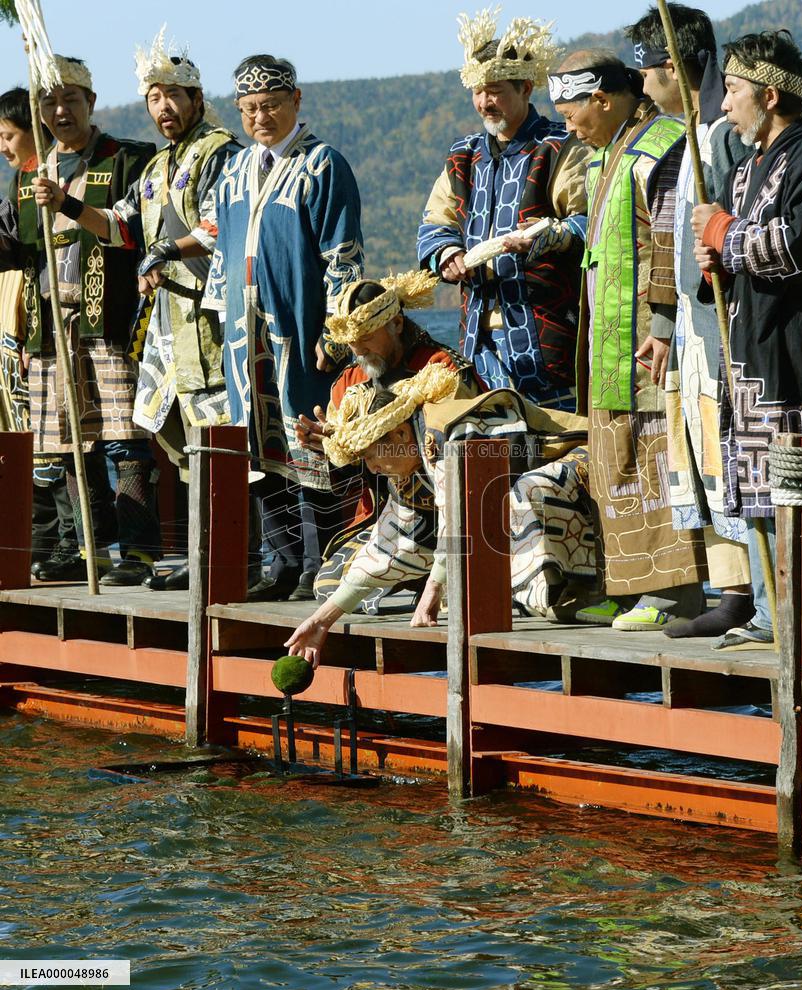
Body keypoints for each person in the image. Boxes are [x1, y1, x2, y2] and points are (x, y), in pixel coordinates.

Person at [35, 31, 242, 591]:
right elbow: (120, 227)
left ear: (197, 98)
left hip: (211, 322)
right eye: (154, 97)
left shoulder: (219, 150)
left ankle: (224, 563)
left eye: (174, 95)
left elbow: (222, 223)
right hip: (163, 330)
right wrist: (69, 205)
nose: (163, 107)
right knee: (174, 444)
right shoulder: (154, 169)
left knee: (214, 443)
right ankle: (199, 562)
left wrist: (169, 249)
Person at [195, 53, 364, 600]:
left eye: (270, 105)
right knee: (256, 448)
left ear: (296, 101)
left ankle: (325, 560)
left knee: (309, 440)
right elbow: (222, 248)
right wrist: (222, 320)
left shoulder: (322, 164)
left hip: (302, 327)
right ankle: (283, 562)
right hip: (246, 334)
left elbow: (342, 254)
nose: (259, 118)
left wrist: (337, 330)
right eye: (248, 109)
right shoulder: (234, 169)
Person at [551, 50, 708, 630]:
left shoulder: (662, 144)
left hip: (646, 332)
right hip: (605, 336)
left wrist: (663, 323)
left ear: (602, 98)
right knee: (612, 456)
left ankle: (673, 596)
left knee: (655, 456)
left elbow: (668, 241)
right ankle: (625, 586)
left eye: (572, 110)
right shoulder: (600, 157)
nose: (567, 124)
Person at [284, 364, 587, 665]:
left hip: (584, 460)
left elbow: (459, 517)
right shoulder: (409, 463)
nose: (372, 468)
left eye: (371, 455)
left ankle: (581, 592)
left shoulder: (447, 434)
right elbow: (389, 545)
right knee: (330, 581)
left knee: (525, 491)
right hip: (511, 511)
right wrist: (322, 621)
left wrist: (434, 588)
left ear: (400, 434)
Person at [626, 4, 753, 639]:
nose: (641, 83)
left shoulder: (722, 138)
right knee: (700, 455)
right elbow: (667, 239)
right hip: (690, 329)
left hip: (724, 323)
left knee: (729, 450)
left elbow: (731, 228)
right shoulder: (687, 137)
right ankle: (729, 587)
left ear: (674, 68)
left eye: (647, 69)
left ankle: (750, 591)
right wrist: (662, 324)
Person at [19, 57, 159, 586]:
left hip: (110, 318)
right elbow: (26, 250)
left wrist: (69, 202)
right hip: (51, 322)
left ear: (91, 103)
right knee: (62, 442)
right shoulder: (30, 171)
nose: (60, 111)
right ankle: (88, 549)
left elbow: (135, 230)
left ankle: (140, 550)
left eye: (70, 101)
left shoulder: (127, 159)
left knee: (123, 437)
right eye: (50, 103)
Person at [692, 30, 802, 648]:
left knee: (792, 486)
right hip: (748, 351)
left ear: (768, 95)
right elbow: (738, 245)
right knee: (759, 488)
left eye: (733, 91)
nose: (725, 104)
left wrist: (724, 233)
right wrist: (717, 259)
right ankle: (768, 612)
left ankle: (794, 614)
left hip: (792, 351)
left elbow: (792, 245)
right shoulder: (745, 169)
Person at [417, 9, 590, 410]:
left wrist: (549, 235)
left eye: (494, 90)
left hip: (547, 331)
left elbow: (587, 221)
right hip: (477, 336)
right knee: (490, 450)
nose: (484, 102)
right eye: (478, 91)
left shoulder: (559, 146)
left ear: (526, 88)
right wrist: (448, 253)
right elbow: (435, 222)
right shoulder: (463, 156)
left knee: (556, 446)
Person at [295, 270, 480, 614]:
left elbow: (463, 450)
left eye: (366, 336)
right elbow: (354, 470)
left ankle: (441, 574)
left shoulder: (441, 367)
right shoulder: (348, 382)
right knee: (329, 584)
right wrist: (330, 448)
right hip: (384, 515)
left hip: (442, 512)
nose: (357, 348)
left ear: (396, 324)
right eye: (350, 341)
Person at [0, 87, 78, 577]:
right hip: (17, 324)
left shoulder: (60, 174)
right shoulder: (18, 182)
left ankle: (62, 545)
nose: (4, 147)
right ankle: (37, 544)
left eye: (8, 136)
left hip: (50, 321)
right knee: (25, 439)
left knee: (54, 442)